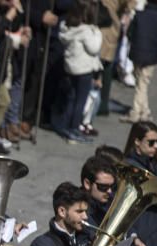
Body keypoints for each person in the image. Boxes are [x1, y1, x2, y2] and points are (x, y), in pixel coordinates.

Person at [54, 0, 101, 144]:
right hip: (84, 70)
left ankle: (66, 126)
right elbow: (94, 47)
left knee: (72, 98)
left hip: (71, 69)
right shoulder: (86, 31)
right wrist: (97, 32)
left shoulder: (66, 28)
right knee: (80, 101)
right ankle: (74, 128)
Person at [123, 0, 157, 125]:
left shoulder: (139, 15)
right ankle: (137, 113)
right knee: (143, 83)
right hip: (152, 55)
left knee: (141, 82)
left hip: (137, 53)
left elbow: (129, 33)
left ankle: (144, 111)